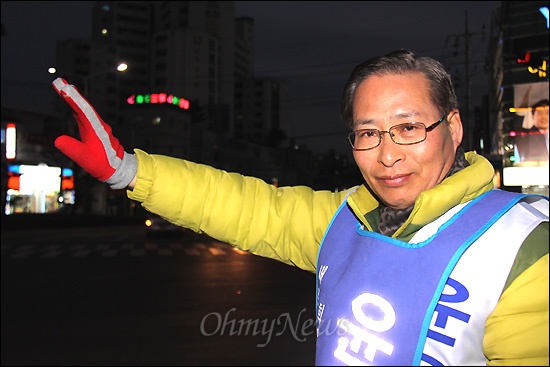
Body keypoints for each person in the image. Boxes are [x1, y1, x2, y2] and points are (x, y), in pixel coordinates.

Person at [52, 49, 549, 366]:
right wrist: (128, 170)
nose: (388, 153)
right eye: (368, 133)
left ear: (454, 129)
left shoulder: (526, 247)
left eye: (409, 127)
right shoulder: (346, 220)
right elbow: (242, 206)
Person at [514, 98, 549, 163]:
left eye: (547, 113)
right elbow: (517, 127)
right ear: (533, 116)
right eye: (540, 113)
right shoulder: (527, 135)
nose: (544, 117)